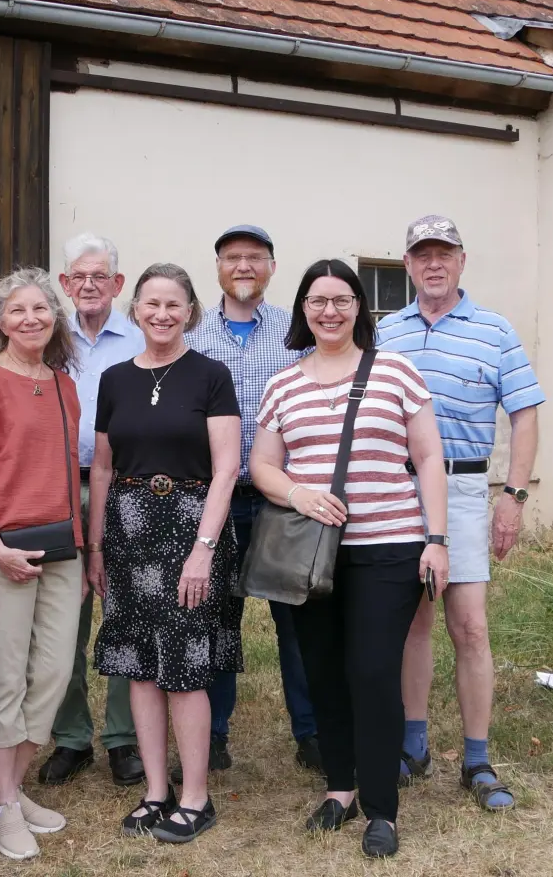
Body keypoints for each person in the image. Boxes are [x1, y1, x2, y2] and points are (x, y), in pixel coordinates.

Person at [250, 260, 451, 859]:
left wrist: (436, 540)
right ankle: (339, 789)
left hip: (388, 549)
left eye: (341, 300)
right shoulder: (284, 383)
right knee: (325, 674)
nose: (329, 311)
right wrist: (298, 492)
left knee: (370, 672)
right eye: (317, 301)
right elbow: (262, 465)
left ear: (359, 307)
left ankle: (382, 808)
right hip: (310, 555)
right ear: (302, 309)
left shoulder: (395, 373)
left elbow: (429, 458)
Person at [377, 215, 543, 812]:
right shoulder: (386, 332)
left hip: (467, 491)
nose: (433, 264)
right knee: (412, 624)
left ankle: (477, 759)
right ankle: (413, 746)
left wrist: (514, 495)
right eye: (422, 254)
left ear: (462, 260)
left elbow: (524, 414)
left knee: (468, 625)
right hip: (398, 493)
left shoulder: (494, 331)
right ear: (408, 266)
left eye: (443, 253)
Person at [90, 263, 242, 844]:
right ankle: (156, 790)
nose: (161, 314)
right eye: (150, 303)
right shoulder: (114, 379)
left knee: (183, 666)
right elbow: (103, 467)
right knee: (138, 664)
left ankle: (196, 797)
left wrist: (203, 551)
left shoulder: (211, 375)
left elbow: (227, 468)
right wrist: (97, 545)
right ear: (136, 310)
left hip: (190, 531)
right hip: (128, 533)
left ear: (190, 312)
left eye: (173, 304)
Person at [0, 269, 83, 861]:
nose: (31, 319)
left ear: (55, 318)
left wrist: (84, 550)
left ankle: (6, 793)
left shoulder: (64, 384)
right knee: (5, 676)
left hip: (62, 550)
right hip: (2, 550)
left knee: (53, 674)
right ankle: (6, 802)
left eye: (41, 309)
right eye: (17, 310)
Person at [185, 225, 320, 773]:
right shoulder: (191, 332)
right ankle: (212, 733)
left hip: (282, 497)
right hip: (212, 496)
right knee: (216, 618)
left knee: (297, 618)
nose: (244, 266)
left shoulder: (300, 331)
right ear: (217, 266)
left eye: (255, 257)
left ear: (271, 266)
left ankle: (311, 732)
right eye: (233, 257)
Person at [40, 233, 146, 788]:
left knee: (124, 613)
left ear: (117, 285)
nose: (88, 285)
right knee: (63, 618)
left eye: (99, 276)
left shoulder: (138, 338)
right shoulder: (45, 337)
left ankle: (124, 738)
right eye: (78, 276)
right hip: (54, 490)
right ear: (63, 284)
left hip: (122, 487)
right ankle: (71, 736)